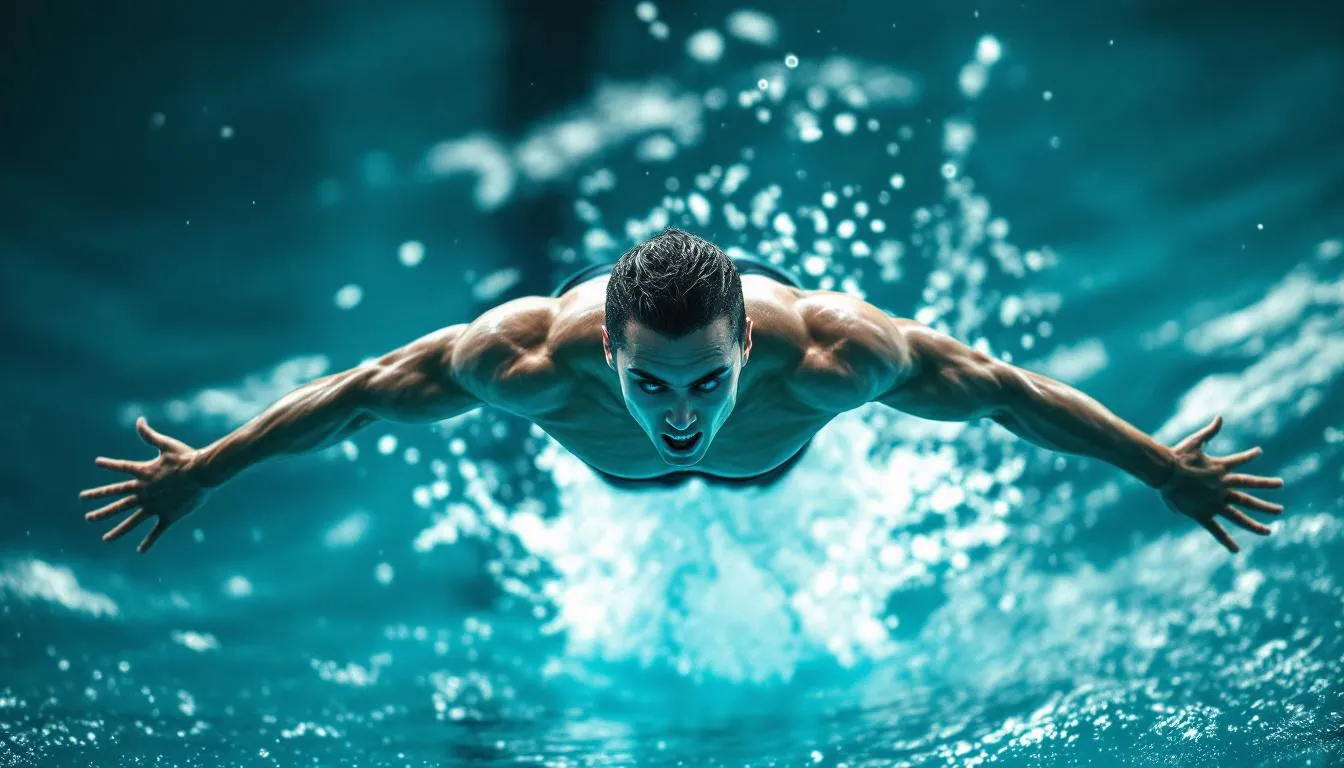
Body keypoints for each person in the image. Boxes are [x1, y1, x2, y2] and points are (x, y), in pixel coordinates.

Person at [82, 228, 1284, 555]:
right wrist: (206, 471)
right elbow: (359, 391)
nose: (682, 413)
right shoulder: (522, 360)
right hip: (608, 462)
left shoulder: (835, 353)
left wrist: (1162, 470)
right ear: (605, 354)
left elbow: (1001, 390)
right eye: (652, 383)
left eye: (709, 379)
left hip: (776, 464)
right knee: (642, 461)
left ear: (748, 345)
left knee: (748, 468)